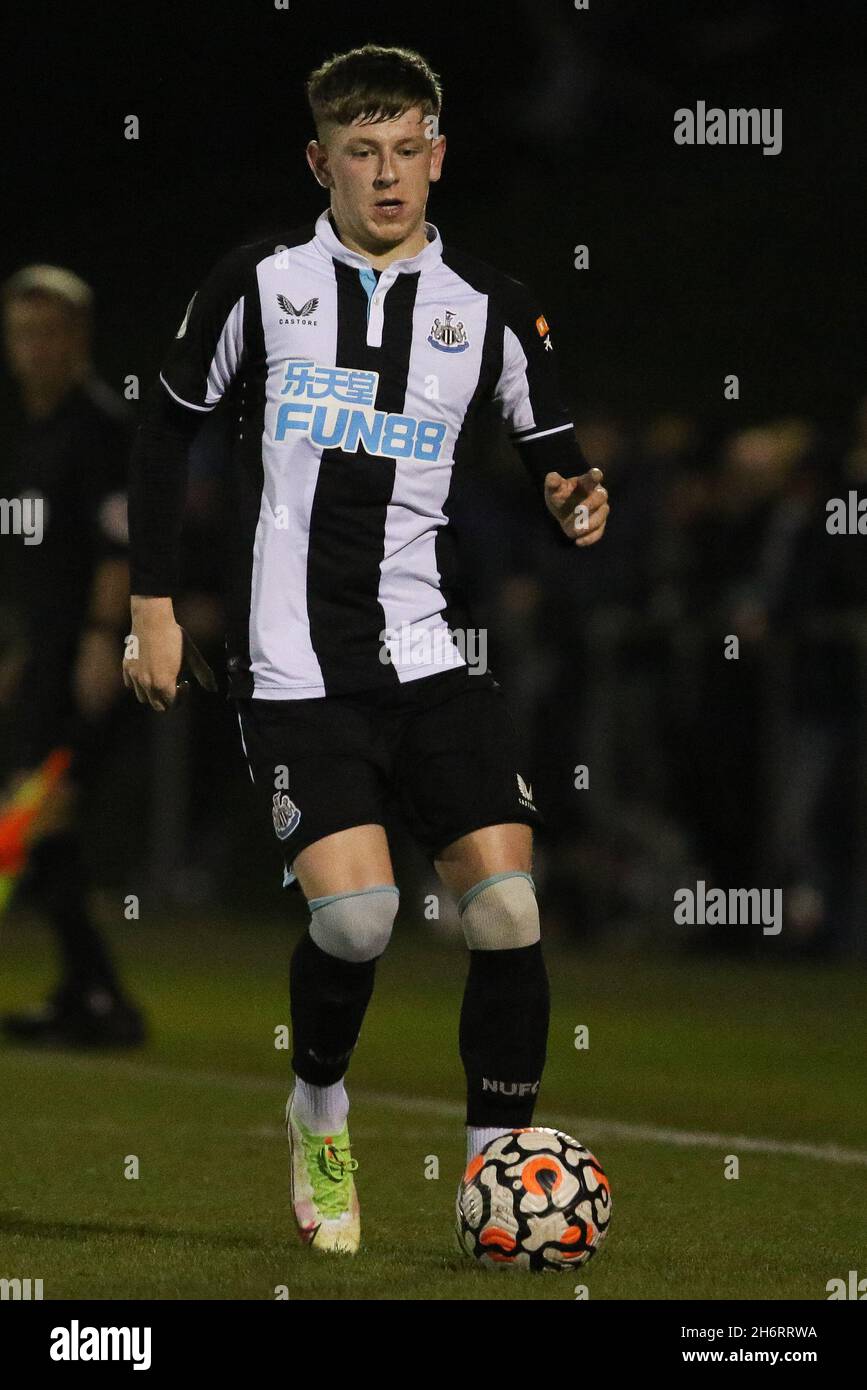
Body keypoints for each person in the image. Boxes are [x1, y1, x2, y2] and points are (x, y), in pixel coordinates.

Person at [124, 44, 609, 1254]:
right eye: (362, 153)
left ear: (438, 158)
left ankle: (503, 1173)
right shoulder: (261, 281)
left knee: (505, 905)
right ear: (320, 160)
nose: (387, 177)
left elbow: (549, 439)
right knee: (358, 926)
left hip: (429, 659)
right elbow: (163, 431)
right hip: (295, 672)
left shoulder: (488, 303)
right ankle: (319, 1106)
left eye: (407, 153)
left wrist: (571, 492)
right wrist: (153, 606)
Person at [0, 265, 145, 1046]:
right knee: (39, 829)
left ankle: (102, 1000)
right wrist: (27, 650)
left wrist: (99, 639)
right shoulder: (35, 432)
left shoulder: (100, 427)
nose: (33, 348)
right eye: (22, 333)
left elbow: (121, 544)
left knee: (33, 818)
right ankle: (86, 996)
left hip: (90, 654)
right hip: (49, 652)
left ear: (79, 339)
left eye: (48, 332)